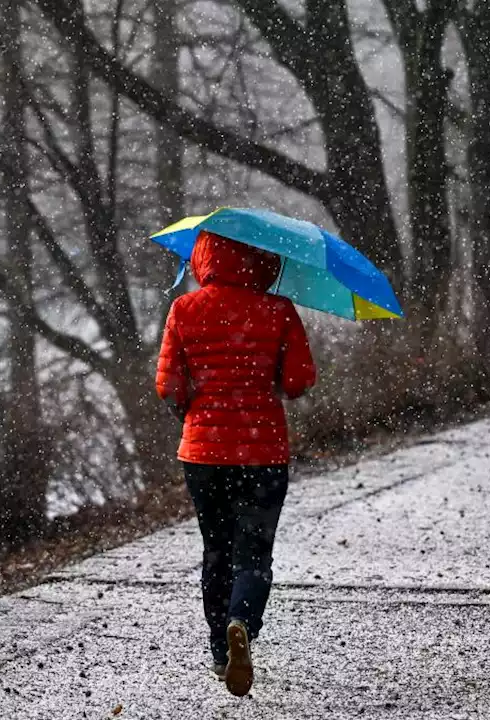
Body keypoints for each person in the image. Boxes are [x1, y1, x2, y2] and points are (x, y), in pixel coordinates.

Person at [155, 230, 317, 697]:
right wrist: (274, 385)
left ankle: (219, 650)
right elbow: (300, 379)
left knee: (216, 549)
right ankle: (242, 621)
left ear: (204, 257)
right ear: (261, 260)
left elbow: (168, 386)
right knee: (255, 551)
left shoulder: (184, 309)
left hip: (204, 454)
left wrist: (191, 405)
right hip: (262, 451)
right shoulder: (278, 310)